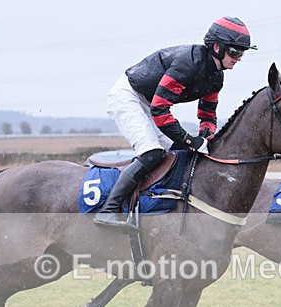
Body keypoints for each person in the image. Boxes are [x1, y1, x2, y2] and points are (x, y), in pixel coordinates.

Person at [94, 16, 256, 228]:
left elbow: (207, 113)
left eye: (241, 53)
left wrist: (206, 138)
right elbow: (160, 110)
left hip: (151, 102)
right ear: (217, 47)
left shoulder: (217, 76)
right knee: (152, 153)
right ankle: (109, 209)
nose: (238, 58)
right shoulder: (188, 64)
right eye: (235, 52)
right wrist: (191, 140)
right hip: (129, 97)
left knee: (182, 152)